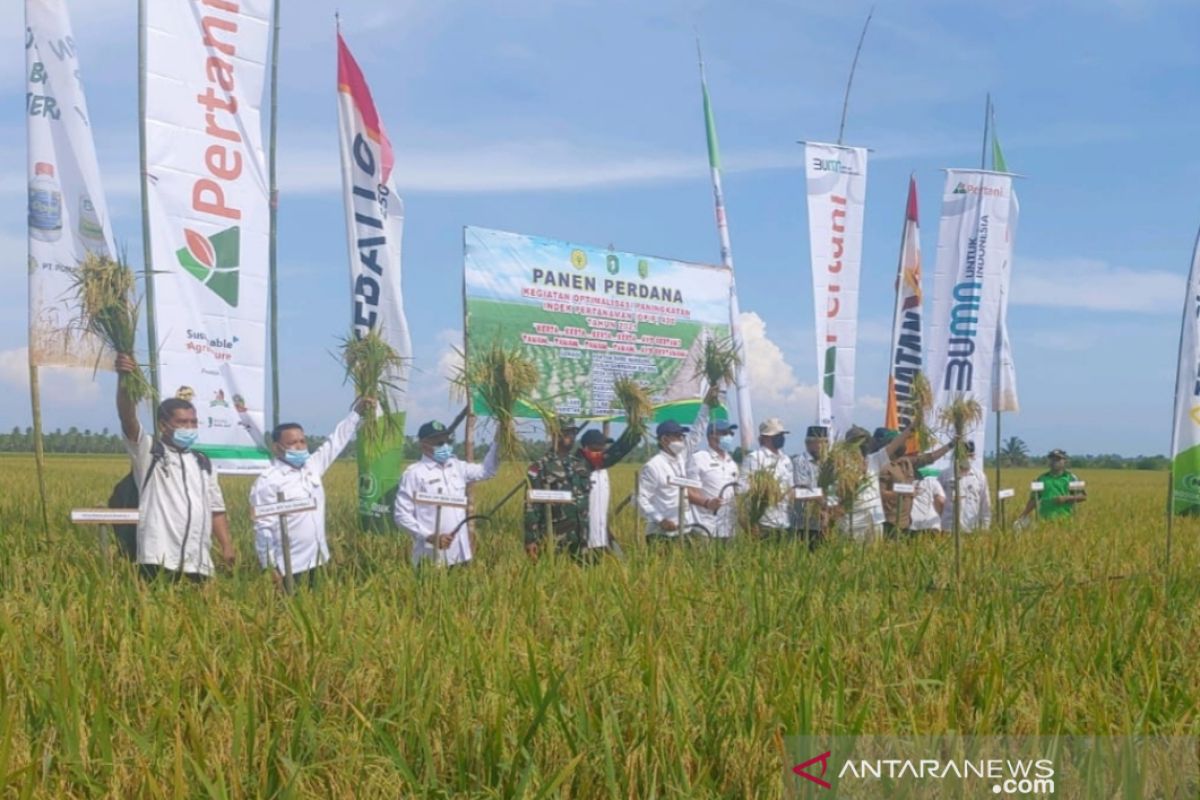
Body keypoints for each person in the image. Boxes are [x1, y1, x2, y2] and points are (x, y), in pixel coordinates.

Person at [115, 353, 234, 582]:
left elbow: (216, 508)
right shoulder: (150, 453)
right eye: (182, 422)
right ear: (163, 425)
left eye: (193, 422)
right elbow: (128, 419)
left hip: (198, 560)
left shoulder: (202, 462)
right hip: (158, 558)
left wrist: (226, 545)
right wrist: (124, 380)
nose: (189, 427)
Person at [249, 398, 372, 590]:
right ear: (276, 447)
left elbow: (335, 442)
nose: (300, 446)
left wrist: (356, 414)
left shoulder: (311, 467)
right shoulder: (268, 482)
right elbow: (263, 527)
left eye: (302, 441)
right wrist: (269, 566)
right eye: (292, 443)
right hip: (289, 567)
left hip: (319, 560)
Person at [524, 419, 640, 558]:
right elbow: (531, 507)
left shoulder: (581, 464)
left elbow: (615, 453)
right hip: (554, 539)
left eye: (573, 432)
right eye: (566, 432)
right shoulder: (540, 467)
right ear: (554, 434)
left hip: (581, 539)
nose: (571, 436)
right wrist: (530, 539)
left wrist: (635, 429)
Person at [394, 419, 499, 568]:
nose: (445, 446)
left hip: (461, 555)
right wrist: (430, 537)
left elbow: (486, 471)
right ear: (424, 445)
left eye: (447, 442)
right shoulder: (414, 474)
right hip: (431, 559)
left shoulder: (457, 467)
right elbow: (401, 515)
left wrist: (498, 442)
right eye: (438, 443)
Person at [831, 424, 914, 540]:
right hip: (852, 522)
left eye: (864, 441)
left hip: (874, 519)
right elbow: (837, 494)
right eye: (857, 441)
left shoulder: (874, 460)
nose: (862, 446)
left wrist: (910, 428)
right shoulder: (842, 466)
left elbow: (894, 445)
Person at [874, 427, 955, 538]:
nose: (903, 444)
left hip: (906, 523)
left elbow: (930, 458)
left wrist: (950, 445)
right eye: (899, 442)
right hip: (890, 523)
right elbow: (880, 493)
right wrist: (899, 493)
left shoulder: (906, 462)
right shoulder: (883, 467)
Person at [637, 419, 708, 541]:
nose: (681, 440)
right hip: (661, 534)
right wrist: (660, 520)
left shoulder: (680, 459)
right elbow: (640, 499)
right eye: (677, 437)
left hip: (684, 529)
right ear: (664, 439)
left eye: (682, 436)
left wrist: (706, 407)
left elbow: (695, 435)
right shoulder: (653, 466)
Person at [739, 418, 796, 538]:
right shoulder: (754, 458)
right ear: (765, 437)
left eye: (782, 435)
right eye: (778, 435)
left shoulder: (785, 460)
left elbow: (791, 489)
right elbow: (743, 491)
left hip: (785, 522)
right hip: (764, 523)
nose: (781, 438)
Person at [687, 417, 740, 540]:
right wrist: (707, 503)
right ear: (712, 435)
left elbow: (736, 492)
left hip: (729, 528)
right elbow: (689, 491)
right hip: (705, 528)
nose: (729, 436)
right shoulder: (698, 459)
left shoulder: (731, 462)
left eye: (731, 433)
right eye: (725, 433)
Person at [1017, 448, 1087, 524]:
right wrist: (1024, 514)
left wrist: (1066, 498)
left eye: (1058, 459)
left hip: (1066, 520)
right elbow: (1034, 499)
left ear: (1064, 461)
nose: (1055, 462)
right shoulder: (1041, 478)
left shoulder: (1071, 477)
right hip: (1044, 521)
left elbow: (1082, 496)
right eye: (1052, 459)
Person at [938, 441, 992, 531]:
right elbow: (937, 501)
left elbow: (985, 503)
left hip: (971, 528)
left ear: (974, 456)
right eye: (964, 456)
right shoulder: (945, 475)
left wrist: (985, 526)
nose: (967, 458)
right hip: (948, 527)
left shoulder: (980, 476)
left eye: (970, 456)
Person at [791, 425, 829, 547]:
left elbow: (832, 490)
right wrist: (820, 498)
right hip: (804, 524)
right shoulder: (800, 462)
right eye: (820, 443)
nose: (823, 446)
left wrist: (829, 509)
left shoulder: (828, 463)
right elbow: (800, 491)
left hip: (825, 523)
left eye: (826, 443)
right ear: (808, 443)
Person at [910, 466, 947, 533]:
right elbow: (941, 501)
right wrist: (940, 514)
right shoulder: (933, 482)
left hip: (912, 523)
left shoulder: (908, 483)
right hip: (931, 522)